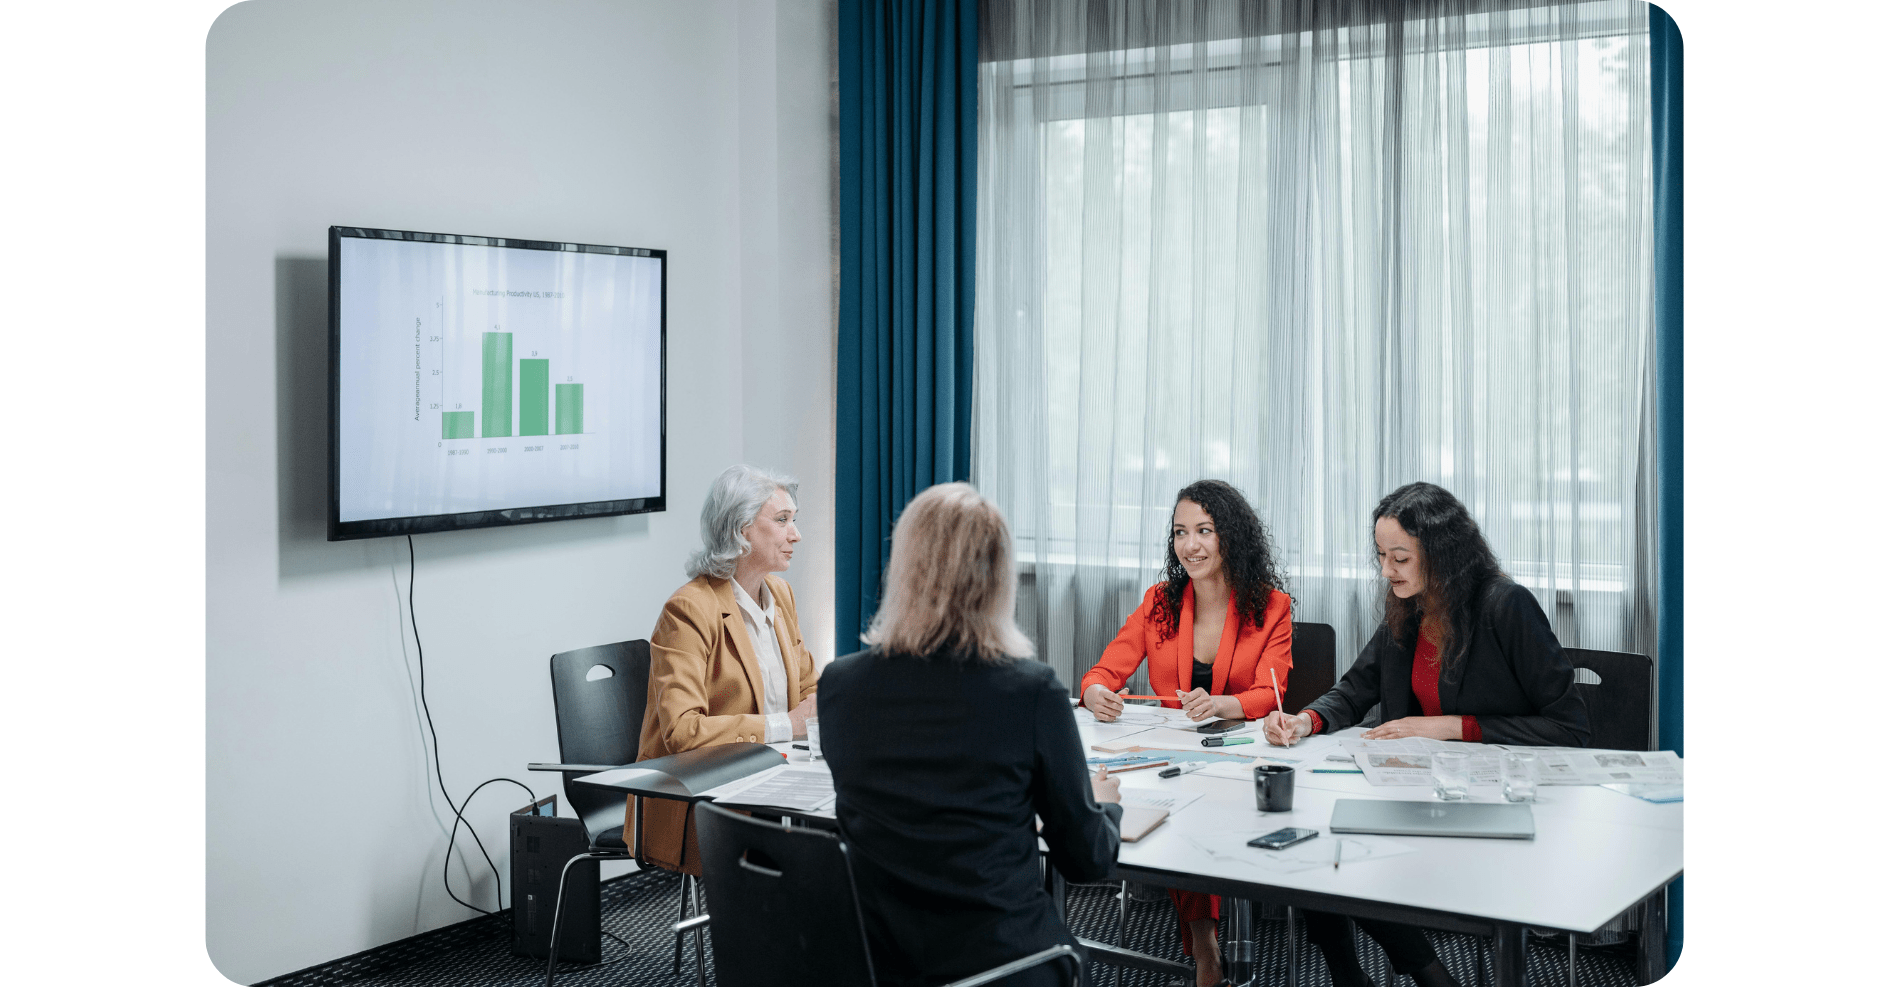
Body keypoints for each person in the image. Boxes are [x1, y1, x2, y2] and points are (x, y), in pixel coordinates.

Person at [1262, 481, 1591, 987]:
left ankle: (1427, 974)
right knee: (1315, 842)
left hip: (1495, 799)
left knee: (1342, 849)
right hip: (1418, 790)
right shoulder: (1409, 605)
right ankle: (1359, 975)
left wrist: (1451, 728)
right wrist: (1305, 720)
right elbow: (1355, 688)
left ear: (1442, 554)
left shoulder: (1505, 606)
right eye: (1380, 556)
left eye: (1400, 557)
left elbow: (1570, 728)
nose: (1386, 571)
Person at [820, 483, 1123, 987]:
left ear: (903, 569)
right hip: (1002, 967)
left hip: (878, 963)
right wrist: (1103, 804)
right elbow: (1086, 859)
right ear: (998, 579)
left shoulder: (840, 684)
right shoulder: (1031, 691)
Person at [1078, 479, 1293, 987]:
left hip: (1238, 755)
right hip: (1169, 754)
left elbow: (1272, 690)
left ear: (1230, 537)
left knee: (1208, 803)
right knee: (1178, 799)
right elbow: (1103, 671)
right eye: (1180, 532)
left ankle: (1206, 942)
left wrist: (1223, 703)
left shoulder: (1271, 605)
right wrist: (1094, 694)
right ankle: (1205, 943)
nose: (1190, 545)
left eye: (1204, 531)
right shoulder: (1161, 601)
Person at [630, 464, 820, 873]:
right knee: (811, 861)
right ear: (741, 529)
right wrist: (786, 724)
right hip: (702, 795)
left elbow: (809, 689)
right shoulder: (688, 610)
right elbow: (683, 732)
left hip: (771, 779)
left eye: (795, 520)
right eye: (783, 520)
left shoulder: (781, 594)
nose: (796, 534)